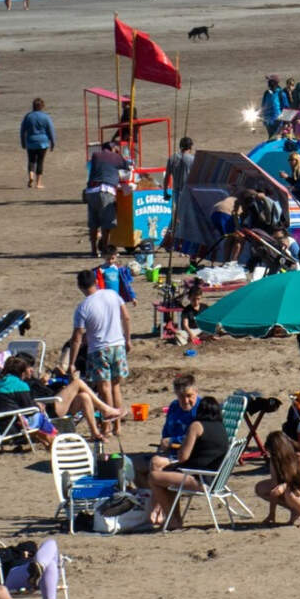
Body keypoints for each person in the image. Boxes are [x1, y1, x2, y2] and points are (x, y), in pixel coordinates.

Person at [146, 395, 230, 528]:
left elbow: (183, 457)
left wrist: (179, 448)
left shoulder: (196, 426)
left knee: (154, 477)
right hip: (216, 479)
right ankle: (175, 520)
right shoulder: (222, 429)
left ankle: (172, 519)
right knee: (168, 476)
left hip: (199, 479)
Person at [62, 268, 130, 427]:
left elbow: (77, 337)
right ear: (96, 281)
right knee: (116, 386)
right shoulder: (112, 295)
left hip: (99, 348)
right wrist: (127, 339)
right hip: (118, 344)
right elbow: (126, 317)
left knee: (104, 387)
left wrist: (72, 363)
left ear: (80, 287)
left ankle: (107, 426)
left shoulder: (83, 307)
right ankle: (118, 426)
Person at [256, 430, 300, 528]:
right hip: (293, 485)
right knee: (261, 488)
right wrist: (272, 514)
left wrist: (285, 486)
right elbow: (274, 485)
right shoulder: (274, 459)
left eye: (274, 453)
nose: (272, 455)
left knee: (291, 492)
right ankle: (295, 509)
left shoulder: (299, 456)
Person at [83, 141, 131, 254]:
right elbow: (127, 167)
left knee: (93, 223)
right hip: (105, 191)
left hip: (91, 191)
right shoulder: (115, 157)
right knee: (106, 222)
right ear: (113, 148)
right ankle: (105, 248)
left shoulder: (95, 155)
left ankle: (93, 250)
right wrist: (119, 154)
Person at [19, 98, 56, 189]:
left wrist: (23, 142)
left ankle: (31, 176)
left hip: (31, 142)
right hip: (43, 142)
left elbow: (22, 130)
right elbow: (51, 130)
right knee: (40, 161)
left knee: (31, 161)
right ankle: (38, 183)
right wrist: (53, 143)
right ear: (42, 106)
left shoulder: (28, 116)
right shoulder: (46, 117)